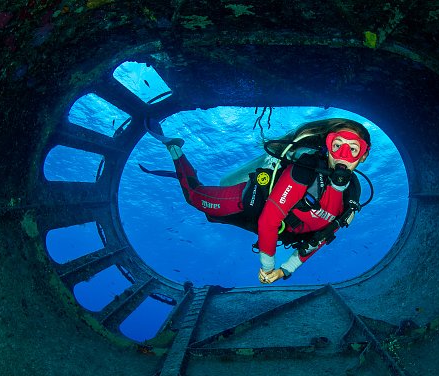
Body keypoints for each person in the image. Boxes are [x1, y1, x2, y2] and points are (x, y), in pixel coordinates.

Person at [144, 118, 371, 285]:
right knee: (195, 198)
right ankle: (175, 149)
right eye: (337, 145)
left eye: (353, 149)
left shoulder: (352, 198)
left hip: (269, 228)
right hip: (249, 203)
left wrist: (285, 271)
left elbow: (318, 240)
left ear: (363, 156)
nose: (343, 155)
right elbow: (269, 221)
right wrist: (268, 268)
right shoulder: (305, 170)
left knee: (212, 218)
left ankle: (188, 175)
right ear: (327, 147)